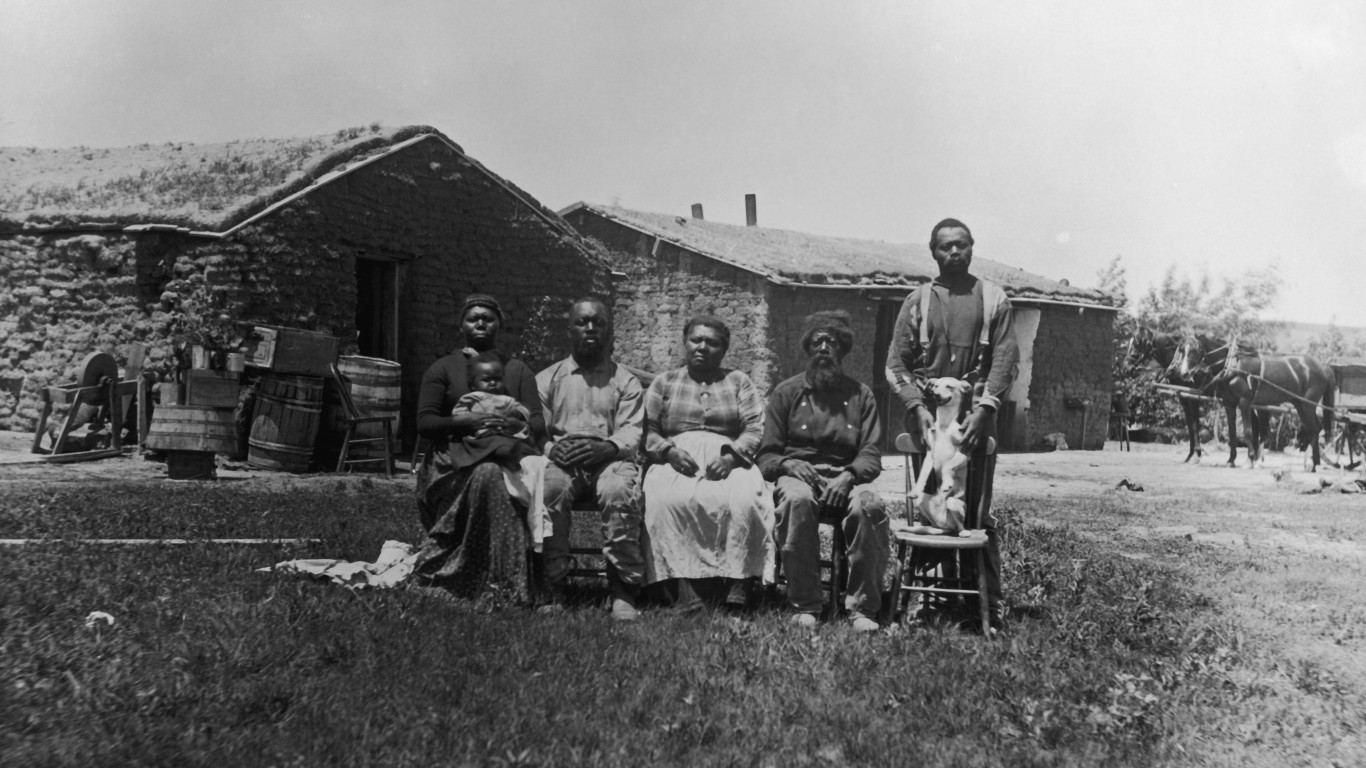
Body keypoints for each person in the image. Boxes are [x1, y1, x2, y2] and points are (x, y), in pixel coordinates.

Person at [885, 218, 1019, 633]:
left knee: (975, 512)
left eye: (961, 244)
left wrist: (985, 408)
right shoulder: (919, 301)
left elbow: (1005, 359)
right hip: (928, 423)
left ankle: (985, 603)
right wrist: (914, 405)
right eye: (946, 246)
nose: (954, 252)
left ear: (972, 247)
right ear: (934, 252)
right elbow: (896, 363)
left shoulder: (994, 299)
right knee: (931, 507)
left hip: (975, 422)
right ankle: (929, 599)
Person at [756, 310, 889, 632]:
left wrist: (849, 476)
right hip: (799, 476)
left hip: (846, 477)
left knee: (869, 506)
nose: (824, 348)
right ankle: (806, 604)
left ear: (843, 349)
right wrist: (787, 464)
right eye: (817, 342)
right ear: (808, 348)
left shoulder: (861, 395)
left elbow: (871, 453)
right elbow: (767, 454)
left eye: (832, 342)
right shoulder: (786, 393)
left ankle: (862, 609)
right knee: (797, 501)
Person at [411, 294, 546, 602]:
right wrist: (467, 421)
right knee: (488, 474)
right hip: (451, 461)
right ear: (461, 326)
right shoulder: (443, 368)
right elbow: (425, 423)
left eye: (488, 318)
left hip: (508, 453)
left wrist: (513, 425)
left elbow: (537, 421)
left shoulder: (517, 370)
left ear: (500, 324)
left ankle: (507, 581)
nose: (481, 323)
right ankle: (488, 580)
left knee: (494, 473)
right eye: (473, 318)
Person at [641, 316, 775, 612]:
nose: (702, 347)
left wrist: (730, 458)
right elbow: (647, 430)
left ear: (724, 349)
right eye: (696, 340)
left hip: (729, 458)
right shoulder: (665, 382)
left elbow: (755, 428)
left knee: (744, 500)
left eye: (712, 343)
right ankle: (682, 589)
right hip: (676, 457)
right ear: (685, 343)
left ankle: (739, 585)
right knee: (664, 500)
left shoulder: (738, 381)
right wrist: (669, 453)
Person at [537, 297, 646, 620]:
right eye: (582, 322)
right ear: (569, 330)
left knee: (619, 492)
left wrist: (607, 448)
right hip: (563, 460)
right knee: (549, 490)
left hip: (610, 460)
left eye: (598, 323)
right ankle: (554, 585)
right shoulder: (547, 379)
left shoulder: (625, 381)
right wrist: (551, 449)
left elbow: (631, 431)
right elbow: (536, 430)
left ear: (609, 332)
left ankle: (622, 590)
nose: (590, 328)